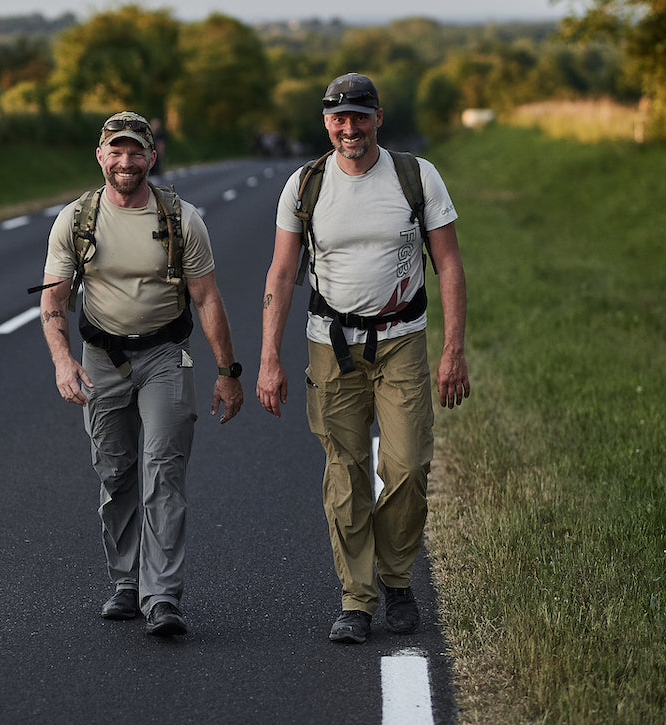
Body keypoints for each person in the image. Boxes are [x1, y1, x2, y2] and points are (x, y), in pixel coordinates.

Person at [256, 73, 470, 644]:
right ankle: (356, 598)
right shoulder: (305, 185)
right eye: (338, 118)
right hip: (331, 346)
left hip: (402, 340)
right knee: (345, 474)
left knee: (408, 466)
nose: (348, 128)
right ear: (326, 123)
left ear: (378, 117)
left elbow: (448, 263)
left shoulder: (415, 177)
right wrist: (269, 358)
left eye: (358, 117)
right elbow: (281, 272)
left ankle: (396, 580)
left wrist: (453, 349)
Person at [38, 110, 244, 637]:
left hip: (166, 357)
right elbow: (54, 301)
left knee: (164, 471)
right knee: (115, 473)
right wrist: (63, 361)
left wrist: (228, 371)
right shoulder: (76, 220)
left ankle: (163, 596)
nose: (126, 162)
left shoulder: (182, 219)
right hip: (101, 360)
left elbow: (207, 298)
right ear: (100, 156)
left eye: (136, 152)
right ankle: (127, 584)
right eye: (116, 151)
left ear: (152, 156)